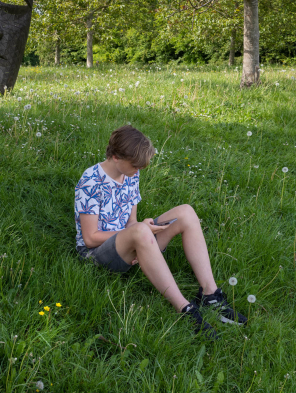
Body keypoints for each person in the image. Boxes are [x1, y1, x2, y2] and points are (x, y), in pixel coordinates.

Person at [74, 125, 246, 338]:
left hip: (130, 241)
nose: (138, 171)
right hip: (98, 253)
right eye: (135, 166)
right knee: (139, 231)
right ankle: (185, 309)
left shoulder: (129, 175)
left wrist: (140, 228)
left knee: (186, 212)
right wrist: (138, 232)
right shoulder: (91, 181)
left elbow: (131, 221)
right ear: (116, 157)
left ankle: (209, 294)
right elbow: (90, 239)